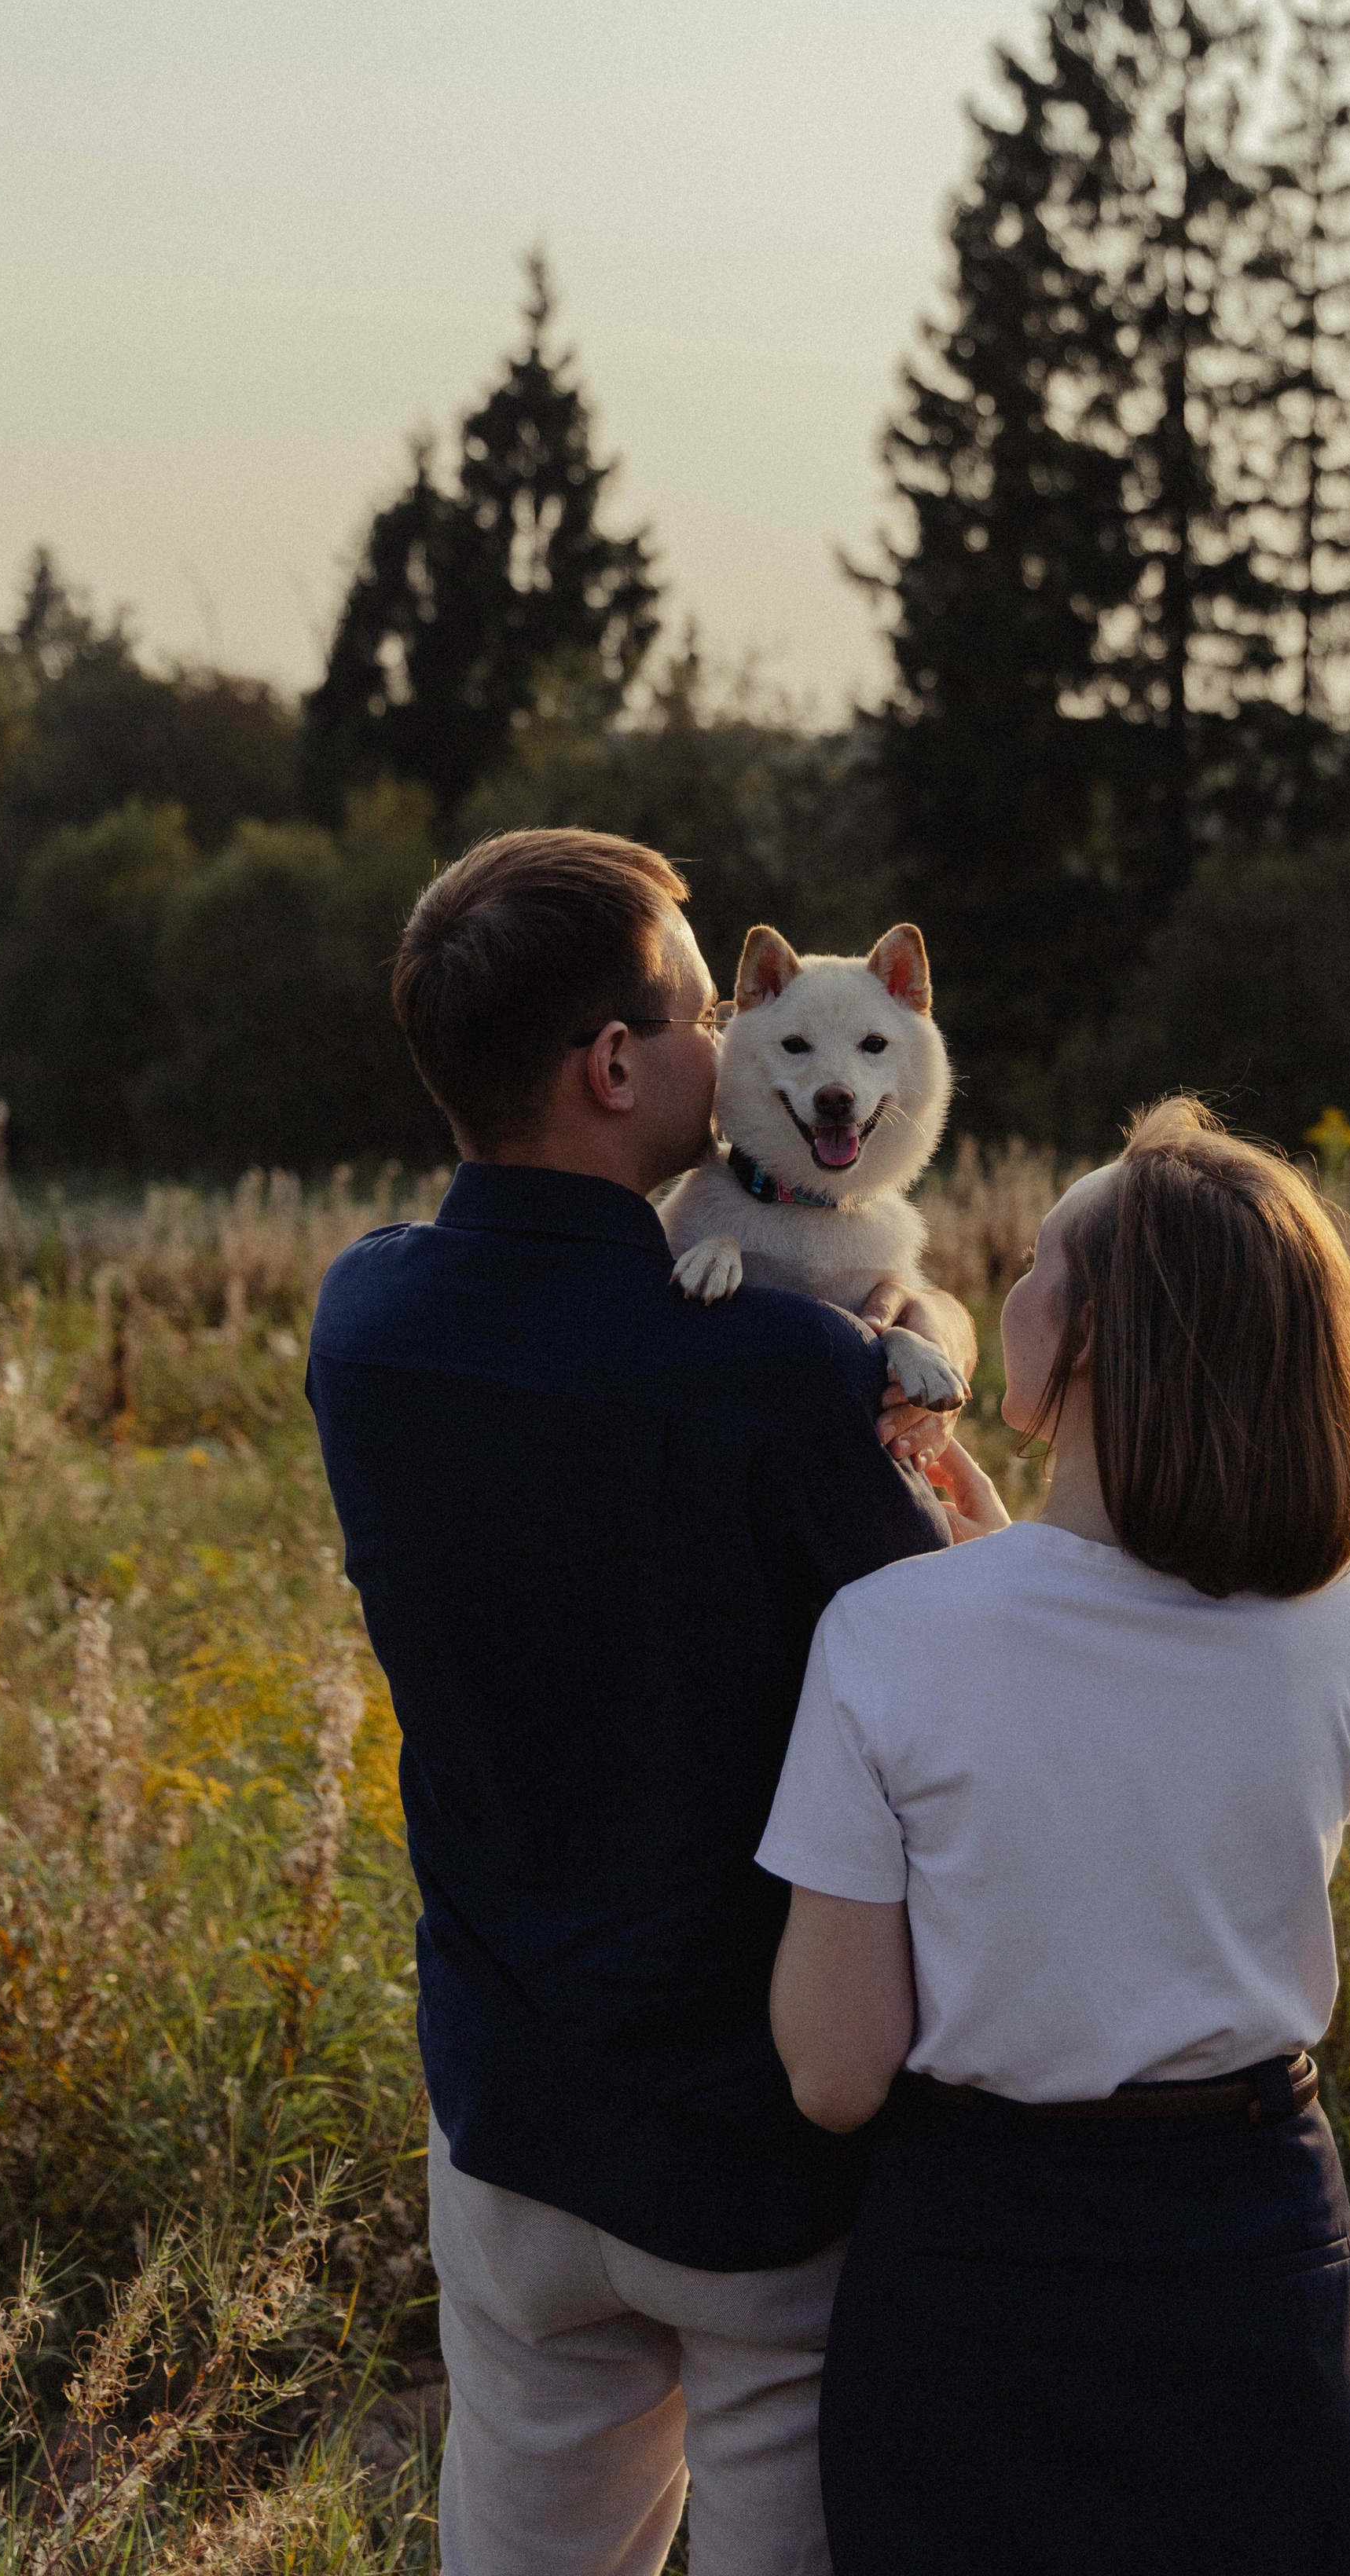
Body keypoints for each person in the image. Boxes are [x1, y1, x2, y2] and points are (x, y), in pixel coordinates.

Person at [306, 828, 973, 2576]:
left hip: (509, 2132)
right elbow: (952, 1686)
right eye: (698, 1016)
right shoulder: (777, 1372)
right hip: (751, 2161)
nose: (732, 1054)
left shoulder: (362, 1323)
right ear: (616, 1067)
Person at [762, 1096, 1350, 2576]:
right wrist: (1007, 1581)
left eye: (1042, 1259)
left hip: (987, 2255)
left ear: (1099, 1331)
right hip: (1252, 2232)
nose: (1011, 1287)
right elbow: (1190, 1854)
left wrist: (978, 1598)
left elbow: (837, 2070)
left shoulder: (889, 1635)